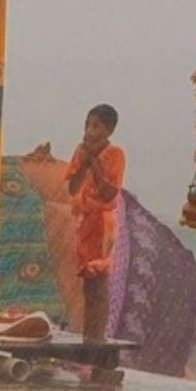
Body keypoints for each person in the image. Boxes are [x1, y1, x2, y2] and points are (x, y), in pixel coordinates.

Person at [66, 104, 125, 344]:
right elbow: (72, 188)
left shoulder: (115, 155)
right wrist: (83, 162)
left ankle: (97, 336)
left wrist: (95, 161)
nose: (89, 132)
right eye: (87, 125)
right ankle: (88, 335)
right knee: (87, 281)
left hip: (102, 221)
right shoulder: (80, 152)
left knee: (98, 277)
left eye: (96, 126)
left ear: (109, 130)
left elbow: (108, 193)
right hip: (84, 220)